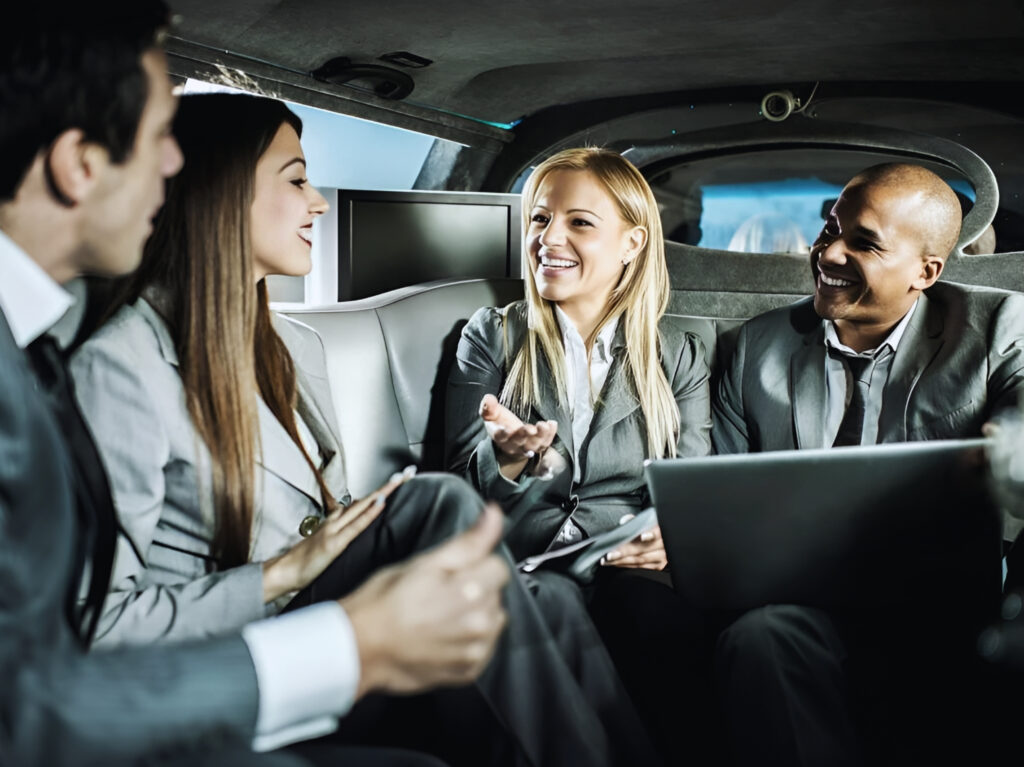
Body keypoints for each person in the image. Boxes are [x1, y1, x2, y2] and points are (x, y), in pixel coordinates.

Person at [68, 93, 658, 767]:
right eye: (295, 180)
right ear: (221, 192)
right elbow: (100, 624)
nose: (318, 202)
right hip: (245, 655)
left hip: (323, 616)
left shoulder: (289, 345)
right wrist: (278, 574)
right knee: (437, 503)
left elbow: (330, 520)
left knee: (541, 604)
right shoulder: (120, 367)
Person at [0, 6, 512, 766]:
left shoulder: (285, 346)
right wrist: (338, 629)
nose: (170, 167)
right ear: (79, 163)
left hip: (250, 649)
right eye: (154, 144)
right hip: (208, 666)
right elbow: (72, 650)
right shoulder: (106, 365)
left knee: (500, 572)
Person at [710, 162, 1024, 765]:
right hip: (797, 596)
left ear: (926, 273)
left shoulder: (996, 327)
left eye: (864, 243)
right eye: (830, 229)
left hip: (944, 602)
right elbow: (718, 488)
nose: (828, 253)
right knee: (759, 638)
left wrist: (1002, 445)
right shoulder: (757, 347)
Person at [445, 146, 712, 763]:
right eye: (539, 219)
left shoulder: (678, 356)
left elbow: (691, 486)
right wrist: (506, 461)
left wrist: (674, 535)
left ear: (632, 243)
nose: (548, 238)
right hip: (523, 560)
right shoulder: (494, 335)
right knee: (552, 602)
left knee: (652, 617)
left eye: (579, 222)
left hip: (625, 565)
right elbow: (451, 490)